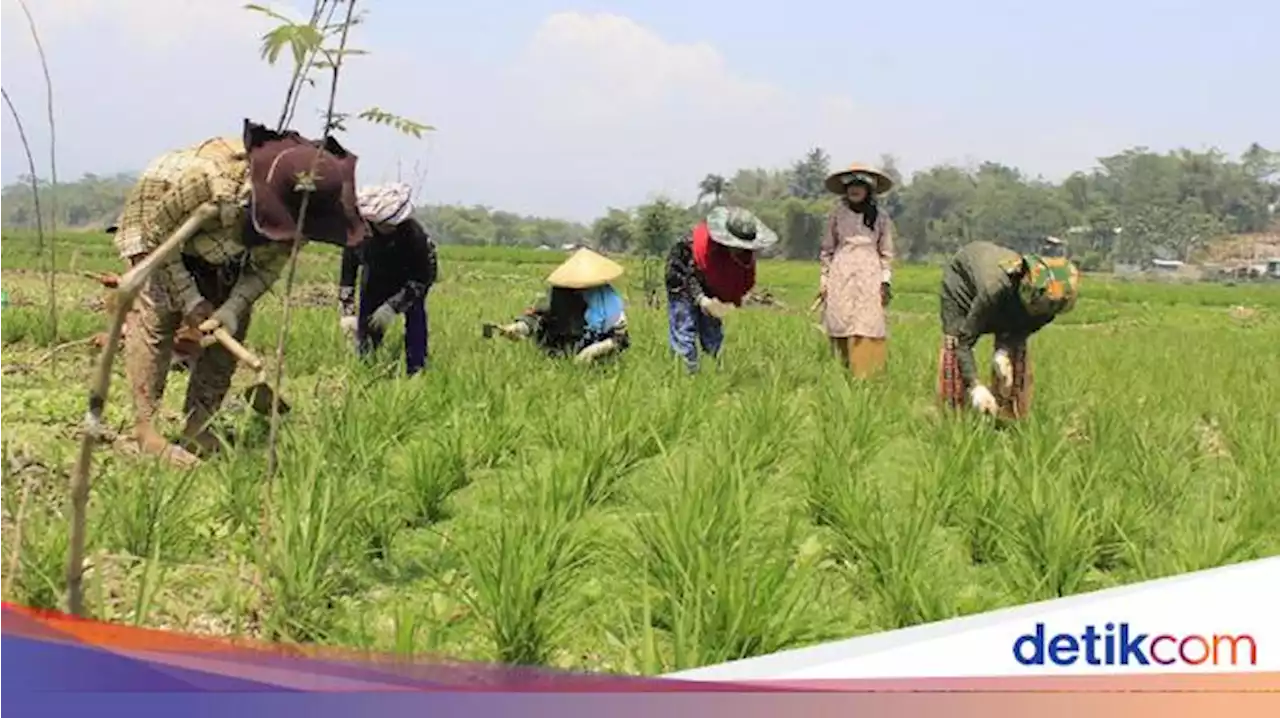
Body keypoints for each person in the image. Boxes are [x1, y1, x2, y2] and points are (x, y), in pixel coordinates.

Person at [112, 119, 362, 467]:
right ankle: (144, 429)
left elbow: (266, 267)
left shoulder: (310, 205)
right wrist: (190, 299)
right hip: (162, 222)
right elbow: (160, 242)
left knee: (234, 324)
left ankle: (199, 423)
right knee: (159, 314)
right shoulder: (210, 180)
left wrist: (232, 306)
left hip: (225, 243)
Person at [937, 241, 1081, 420]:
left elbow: (1024, 330)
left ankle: (1009, 415)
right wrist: (975, 385)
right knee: (954, 342)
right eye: (1040, 308)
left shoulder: (1049, 305)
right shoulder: (995, 289)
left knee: (1015, 355)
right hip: (963, 284)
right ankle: (953, 416)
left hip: (1006, 302)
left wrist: (1004, 350)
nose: (1044, 314)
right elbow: (964, 342)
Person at [337, 182, 438, 376]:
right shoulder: (359, 233)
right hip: (375, 275)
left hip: (410, 280)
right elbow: (348, 271)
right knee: (367, 323)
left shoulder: (414, 235)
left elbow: (422, 278)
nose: (388, 228)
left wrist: (393, 306)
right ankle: (366, 364)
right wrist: (347, 310)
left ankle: (416, 368)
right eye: (383, 225)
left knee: (415, 316)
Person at [664, 206, 778, 373]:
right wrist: (701, 299)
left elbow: (737, 282)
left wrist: (721, 302)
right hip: (682, 280)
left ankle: (713, 373)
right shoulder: (698, 246)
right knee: (685, 327)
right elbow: (688, 275)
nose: (740, 250)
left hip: (711, 287)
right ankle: (685, 374)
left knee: (712, 332)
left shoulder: (744, 258)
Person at [820, 162, 896, 378]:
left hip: (870, 275)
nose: (855, 189)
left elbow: (886, 253)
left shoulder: (880, 217)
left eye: (860, 185)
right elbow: (827, 249)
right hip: (840, 273)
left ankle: (868, 377)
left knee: (868, 323)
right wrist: (824, 279)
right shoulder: (836, 215)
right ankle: (842, 373)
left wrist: (885, 280)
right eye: (851, 185)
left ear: (868, 190)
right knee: (840, 321)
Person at [489, 248, 630, 363]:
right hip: (558, 352)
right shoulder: (560, 293)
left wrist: (592, 351)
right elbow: (538, 314)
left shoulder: (608, 300)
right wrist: (517, 328)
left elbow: (620, 338)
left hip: (598, 358)